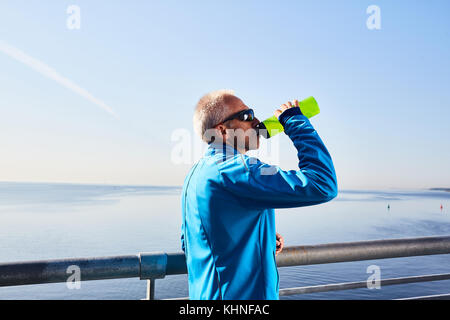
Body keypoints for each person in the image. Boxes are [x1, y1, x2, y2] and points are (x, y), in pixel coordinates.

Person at [181, 89, 337, 300]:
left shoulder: (196, 174)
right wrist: (295, 121)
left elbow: (192, 239)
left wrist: (260, 237)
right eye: (246, 116)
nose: (256, 122)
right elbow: (322, 183)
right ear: (222, 131)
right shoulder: (236, 169)